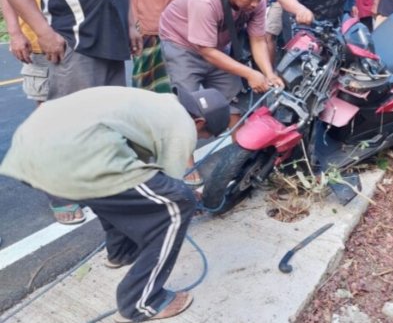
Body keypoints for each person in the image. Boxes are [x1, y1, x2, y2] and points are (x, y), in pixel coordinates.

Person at [0, 86, 230, 322]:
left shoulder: (160, 102)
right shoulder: (181, 123)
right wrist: (192, 198)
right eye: (204, 135)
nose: (198, 140)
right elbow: (170, 184)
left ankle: (121, 252)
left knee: (119, 191)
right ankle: (142, 301)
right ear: (199, 121)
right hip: (68, 159)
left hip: (30, 153)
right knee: (179, 203)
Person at [0, 0, 142, 225]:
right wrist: (41, 31)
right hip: (76, 46)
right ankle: (59, 193)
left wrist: (131, 22)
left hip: (113, 43)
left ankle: (106, 196)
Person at [159, 0, 283, 123]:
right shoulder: (205, 0)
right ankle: (185, 148)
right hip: (182, 45)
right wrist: (249, 73)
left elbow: (257, 40)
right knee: (190, 111)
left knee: (232, 101)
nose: (255, 3)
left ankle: (241, 148)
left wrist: (268, 73)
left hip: (215, 46)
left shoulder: (257, 2)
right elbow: (206, 51)